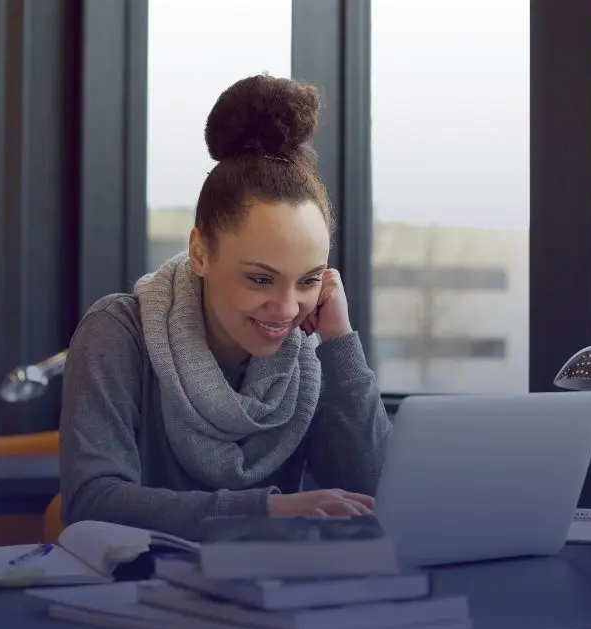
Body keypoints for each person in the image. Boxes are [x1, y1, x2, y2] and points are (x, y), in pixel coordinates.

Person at [58, 75, 391, 541]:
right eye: (260, 278)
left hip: (276, 596)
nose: (286, 307)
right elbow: (91, 502)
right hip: (144, 593)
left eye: (309, 280)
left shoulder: (306, 360)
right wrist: (267, 510)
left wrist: (340, 345)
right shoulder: (117, 332)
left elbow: (377, 493)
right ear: (200, 253)